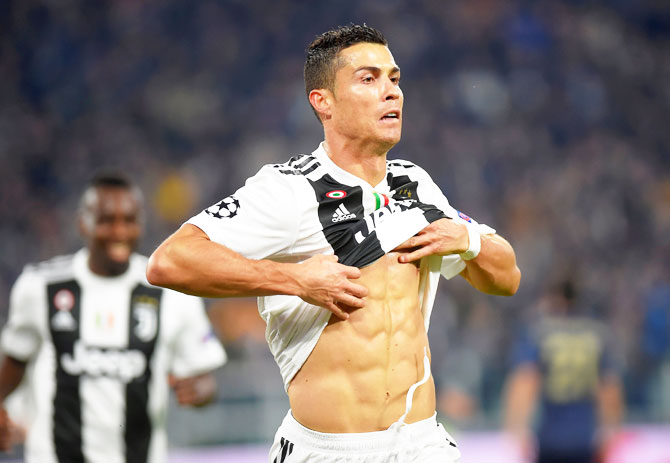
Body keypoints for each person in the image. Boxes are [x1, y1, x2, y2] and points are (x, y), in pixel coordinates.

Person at [147, 24, 521, 463]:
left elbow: (508, 278)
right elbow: (169, 262)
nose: (391, 93)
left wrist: (469, 239)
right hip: (329, 451)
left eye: (394, 79)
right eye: (368, 79)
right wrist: (294, 279)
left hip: (423, 445)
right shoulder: (289, 188)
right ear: (322, 102)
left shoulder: (415, 184)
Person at [0, 173, 227, 463]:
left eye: (129, 220)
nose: (119, 231)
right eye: (107, 220)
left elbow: (206, 381)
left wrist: (200, 391)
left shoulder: (171, 294)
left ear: (141, 224)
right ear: (84, 222)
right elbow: (15, 360)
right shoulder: (40, 287)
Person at [502, 278, 624, 463]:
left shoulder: (540, 332)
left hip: (549, 435)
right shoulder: (597, 334)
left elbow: (526, 380)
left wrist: (517, 427)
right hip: (585, 436)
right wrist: (611, 430)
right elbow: (609, 387)